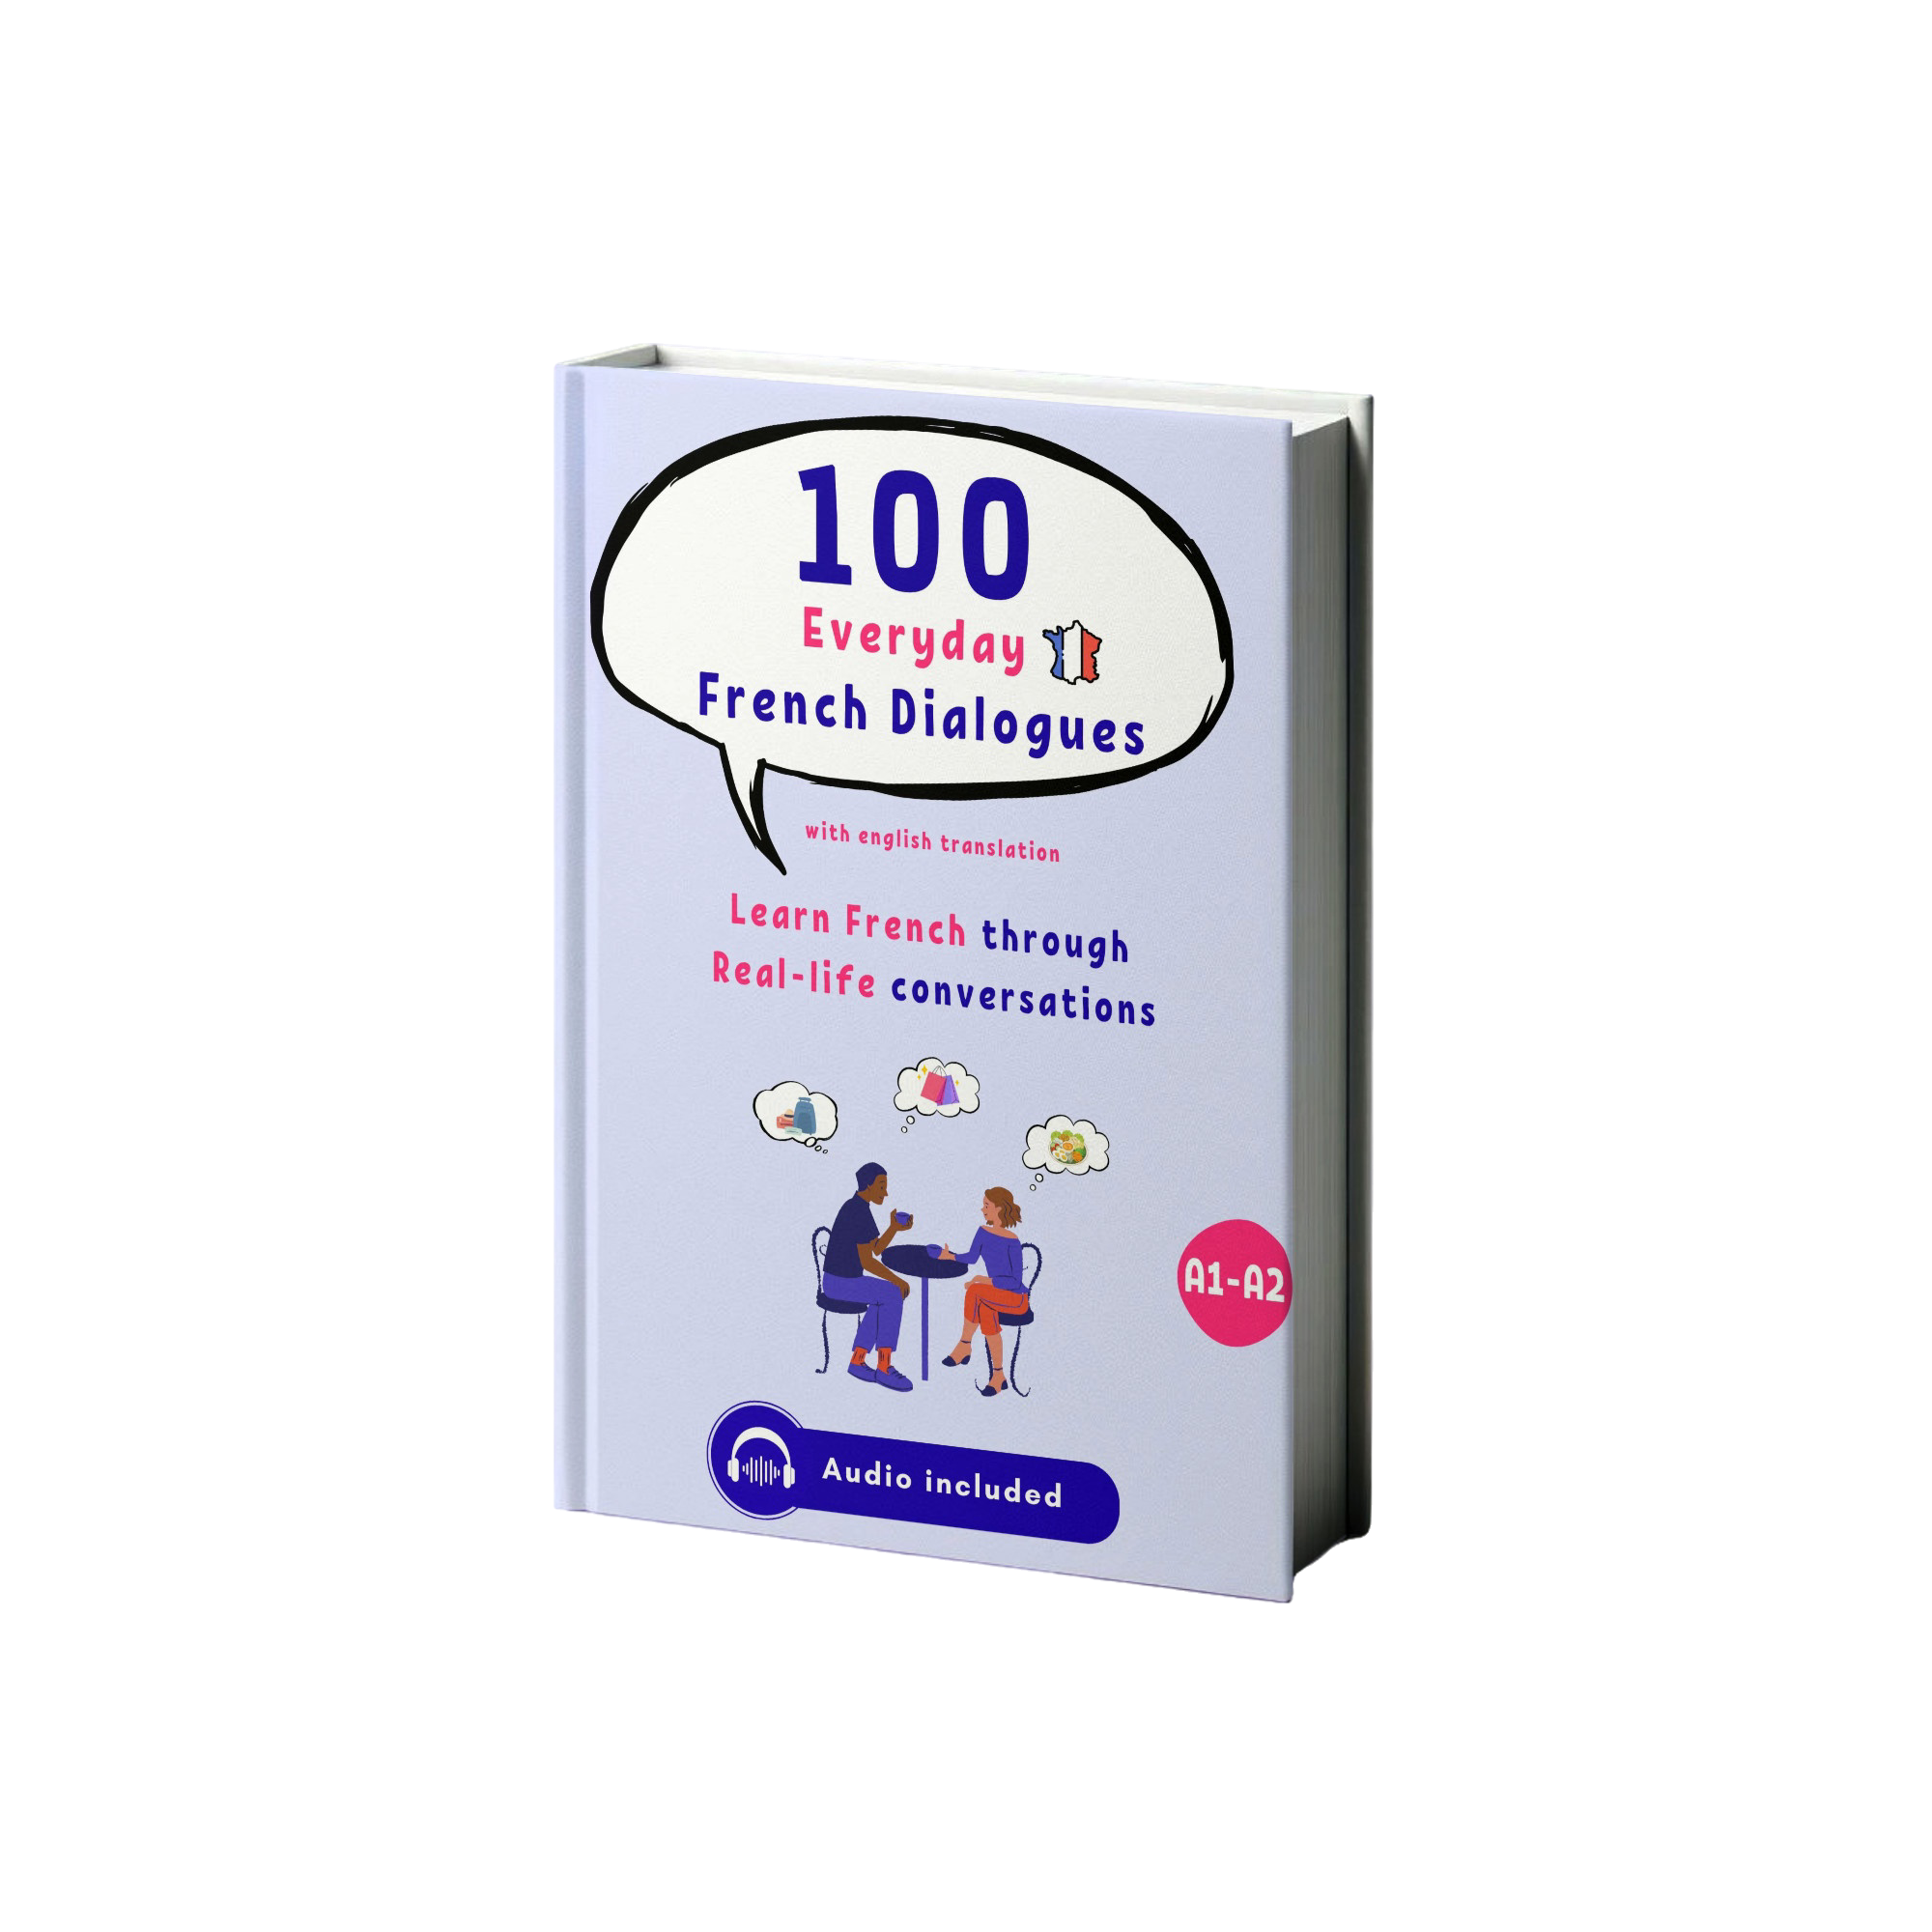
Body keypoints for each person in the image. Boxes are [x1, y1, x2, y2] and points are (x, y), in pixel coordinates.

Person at [824, 1163, 915, 1391]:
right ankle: (884, 1367)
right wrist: (898, 1281)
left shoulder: (859, 1207)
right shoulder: (857, 1211)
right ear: (868, 1185)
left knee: (884, 1297)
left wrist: (893, 1228)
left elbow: (875, 1249)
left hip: (843, 1280)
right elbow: (868, 1262)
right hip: (839, 1282)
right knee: (893, 1294)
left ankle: (858, 1361)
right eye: (881, 1186)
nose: (886, 1193)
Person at [937, 1187, 1028, 1396]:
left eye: (987, 1205)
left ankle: (964, 1345)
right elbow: (971, 1257)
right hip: (994, 1296)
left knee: (975, 1290)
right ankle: (998, 1376)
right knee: (985, 1310)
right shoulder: (982, 1232)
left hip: (1016, 1298)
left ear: (999, 1208)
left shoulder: (1013, 1241)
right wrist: (949, 1256)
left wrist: (984, 1280)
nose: (982, 1209)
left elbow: (1015, 1281)